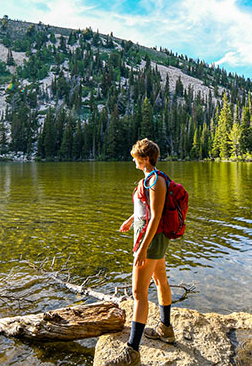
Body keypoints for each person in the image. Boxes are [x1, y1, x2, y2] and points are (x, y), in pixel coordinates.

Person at [104, 138, 174, 366]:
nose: (133, 160)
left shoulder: (156, 182)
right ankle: (166, 329)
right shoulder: (151, 178)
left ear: (144, 159)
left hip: (151, 240)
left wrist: (142, 248)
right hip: (153, 238)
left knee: (138, 293)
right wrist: (131, 219)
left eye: (135, 157)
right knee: (160, 279)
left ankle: (132, 352)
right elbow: (147, 209)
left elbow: (155, 216)